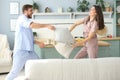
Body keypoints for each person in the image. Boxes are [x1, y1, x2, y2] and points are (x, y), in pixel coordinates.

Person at [5, 4, 55, 80]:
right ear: (25, 11)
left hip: (30, 52)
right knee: (14, 72)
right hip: (21, 51)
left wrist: (39, 43)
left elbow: (29, 39)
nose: (32, 12)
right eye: (31, 10)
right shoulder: (22, 18)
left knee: (40, 65)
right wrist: (47, 25)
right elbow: (32, 25)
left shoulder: (27, 21)